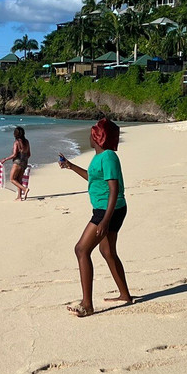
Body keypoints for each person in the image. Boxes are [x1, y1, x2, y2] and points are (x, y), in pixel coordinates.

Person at [58, 117, 133, 317]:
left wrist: (105, 220)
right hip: (109, 209)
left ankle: (87, 304)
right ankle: (125, 295)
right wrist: (70, 166)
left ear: (98, 137)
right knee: (107, 251)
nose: (89, 136)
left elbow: (114, 189)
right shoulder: (100, 156)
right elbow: (93, 178)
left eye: (92, 133)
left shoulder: (108, 156)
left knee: (81, 249)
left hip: (109, 210)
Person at [0, 126, 31, 201]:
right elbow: (29, 154)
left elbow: (14, 154)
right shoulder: (26, 142)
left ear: (15, 134)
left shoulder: (17, 142)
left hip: (17, 162)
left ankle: (25, 189)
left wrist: (5, 159)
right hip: (25, 162)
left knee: (12, 179)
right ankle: (19, 197)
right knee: (19, 180)